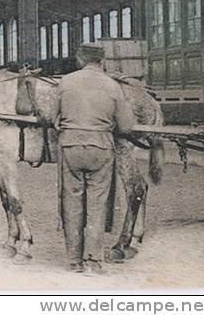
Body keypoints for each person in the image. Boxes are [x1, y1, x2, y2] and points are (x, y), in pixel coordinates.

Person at [56, 44, 135, 274]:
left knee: (71, 203)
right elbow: (127, 127)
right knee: (97, 205)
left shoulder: (65, 81)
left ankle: (73, 261)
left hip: (70, 147)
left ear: (80, 60)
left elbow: (53, 117)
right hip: (100, 148)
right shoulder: (112, 85)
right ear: (102, 61)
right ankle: (93, 261)